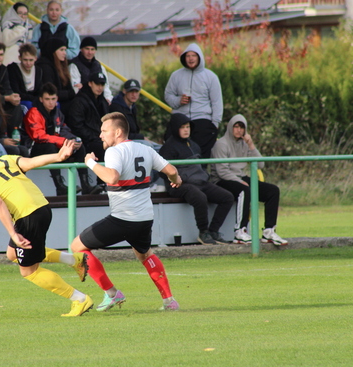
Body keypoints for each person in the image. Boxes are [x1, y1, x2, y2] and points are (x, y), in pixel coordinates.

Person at [0, 142, 93, 317]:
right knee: (13, 254)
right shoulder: (1, 160)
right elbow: (30, 162)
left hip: (27, 215)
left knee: (29, 271)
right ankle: (74, 260)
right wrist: (58, 157)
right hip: (42, 207)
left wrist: (13, 233)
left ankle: (79, 299)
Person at [70, 112, 182, 311]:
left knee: (77, 246)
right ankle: (169, 301)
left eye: (105, 131)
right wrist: (176, 181)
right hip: (145, 218)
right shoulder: (144, 149)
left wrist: (90, 162)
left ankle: (112, 293)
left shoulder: (114, 151)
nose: (101, 135)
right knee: (145, 255)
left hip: (124, 219)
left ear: (118, 132)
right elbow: (172, 171)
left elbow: (112, 177)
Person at [211, 114, 288, 246]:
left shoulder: (244, 144)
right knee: (244, 190)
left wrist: (251, 145)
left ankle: (269, 231)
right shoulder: (221, 144)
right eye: (236, 127)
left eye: (242, 127)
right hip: (221, 180)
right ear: (230, 127)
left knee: (272, 191)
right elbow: (222, 171)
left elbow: (260, 165)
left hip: (239, 177)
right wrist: (239, 181)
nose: (239, 130)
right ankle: (240, 231)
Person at [159, 113, 234, 245]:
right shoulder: (168, 147)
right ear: (176, 128)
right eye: (182, 127)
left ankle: (213, 231)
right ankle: (203, 232)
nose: (186, 129)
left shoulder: (194, 145)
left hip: (200, 182)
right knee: (200, 197)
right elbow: (161, 171)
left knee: (227, 197)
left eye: (188, 126)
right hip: (179, 185)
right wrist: (175, 179)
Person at [24, 82, 98, 195]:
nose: (50, 102)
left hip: (54, 145)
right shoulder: (33, 113)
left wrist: (73, 140)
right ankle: (60, 186)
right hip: (34, 148)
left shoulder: (57, 112)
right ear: (41, 99)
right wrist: (64, 142)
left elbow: (63, 129)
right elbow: (38, 136)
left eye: (53, 99)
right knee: (50, 147)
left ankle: (86, 185)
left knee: (79, 147)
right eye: (47, 99)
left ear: (57, 98)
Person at [164, 43, 223, 159]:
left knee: (200, 156)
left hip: (202, 120)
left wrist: (215, 124)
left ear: (199, 58)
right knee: (172, 150)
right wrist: (178, 101)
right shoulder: (176, 75)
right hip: (180, 118)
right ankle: (176, 175)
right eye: (188, 56)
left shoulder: (211, 77)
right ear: (184, 58)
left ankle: (200, 175)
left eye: (193, 56)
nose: (190, 59)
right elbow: (168, 95)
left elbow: (217, 102)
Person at [67, 71, 109, 169]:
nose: (100, 87)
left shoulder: (102, 101)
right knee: (103, 148)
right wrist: (97, 137)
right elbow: (77, 126)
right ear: (90, 83)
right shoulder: (79, 101)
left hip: (99, 138)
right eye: (97, 84)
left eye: (102, 84)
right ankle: (103, 182)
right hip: (87, 141)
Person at [35, 37, 78, 116]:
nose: (65, 53)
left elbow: (67, 87)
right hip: (52, 103)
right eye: (61, 50)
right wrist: (73, 92)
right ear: (52, 52)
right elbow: (51, 92)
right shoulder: (45, 67)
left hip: (62, 101)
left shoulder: (61, 65)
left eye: (65, 50)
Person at [69, 36, 112, 103]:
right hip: (81, 103)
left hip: (98, 102)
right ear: (81, 49)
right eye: (87, 49)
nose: (90, 52)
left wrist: (108, 99)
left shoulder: (99, 66)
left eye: (92, 49)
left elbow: (106, 86)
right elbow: (75, 88)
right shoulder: (74, 65)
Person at [7, 43, 43, 111]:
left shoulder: (38, 70)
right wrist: (35, 99)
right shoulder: (13, 69)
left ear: (35, 58)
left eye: (31, 60)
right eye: (25, 60)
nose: (28, 63)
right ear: (19, 58)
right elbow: (16, 91)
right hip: (21, 101)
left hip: (35, 99)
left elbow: (40, 90)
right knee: (30, 106)